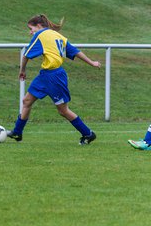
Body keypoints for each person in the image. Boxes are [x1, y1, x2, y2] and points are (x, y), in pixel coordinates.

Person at [7, 14, 101, 144]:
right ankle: (17, 132)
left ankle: (88, 134)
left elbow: (26, 55)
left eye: (31, 28)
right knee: (27, 101)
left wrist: (22, 70)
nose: (30, 32)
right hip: (45, 75)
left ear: (39, 26)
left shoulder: (40, 35)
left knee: (63, 111)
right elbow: (75, 51)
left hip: (55, 77)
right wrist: (92, 62)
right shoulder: (57, 35)